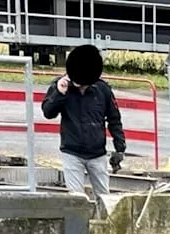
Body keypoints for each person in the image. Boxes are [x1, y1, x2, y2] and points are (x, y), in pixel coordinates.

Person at [41, 44, 126, 197]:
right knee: (76, 198)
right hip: (72, 152)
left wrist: (120, 148)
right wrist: (59, 94)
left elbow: (114, 119)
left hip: (97, 154)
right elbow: (48, 112)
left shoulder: (102, 89)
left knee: (104, 197)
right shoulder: (60, 86)